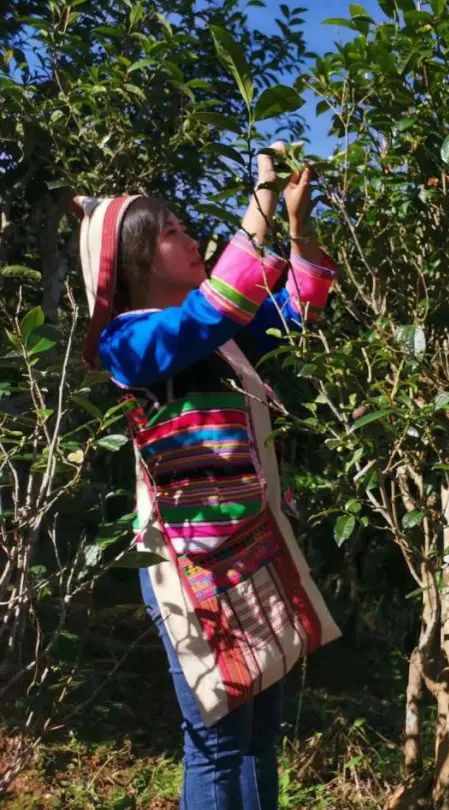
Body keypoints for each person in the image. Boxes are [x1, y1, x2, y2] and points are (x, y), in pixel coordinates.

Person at [75, 143, 341, 809]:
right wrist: (261, 199)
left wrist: (299, 222)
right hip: (192, 566)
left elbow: (294, 313)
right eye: (171, 233)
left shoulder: (217, 338)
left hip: (252, 548)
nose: (190, 239)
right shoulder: (128, 343)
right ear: (134, 263)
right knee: (220, 742)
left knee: (258, 737)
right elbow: (216, 306)